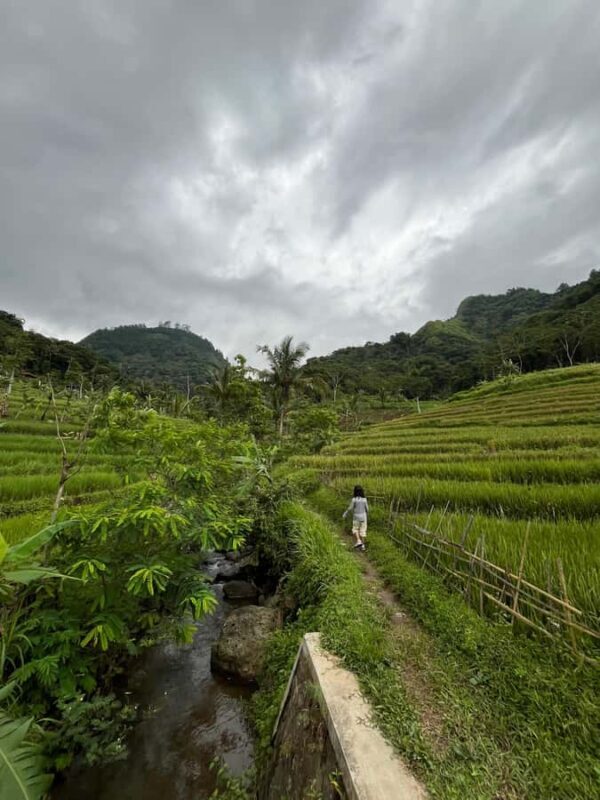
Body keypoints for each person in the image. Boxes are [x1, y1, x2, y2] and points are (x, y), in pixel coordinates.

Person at [342, 485, 369, 551]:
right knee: (363, 531)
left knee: (355, 529)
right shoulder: (364, 499)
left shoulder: (354, 499)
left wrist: (345, 513)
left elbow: (350, 508)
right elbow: (367, 509)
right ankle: (363, 546)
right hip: (363, 517)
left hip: (356, 517)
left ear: (355, 492)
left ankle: (358, 540)